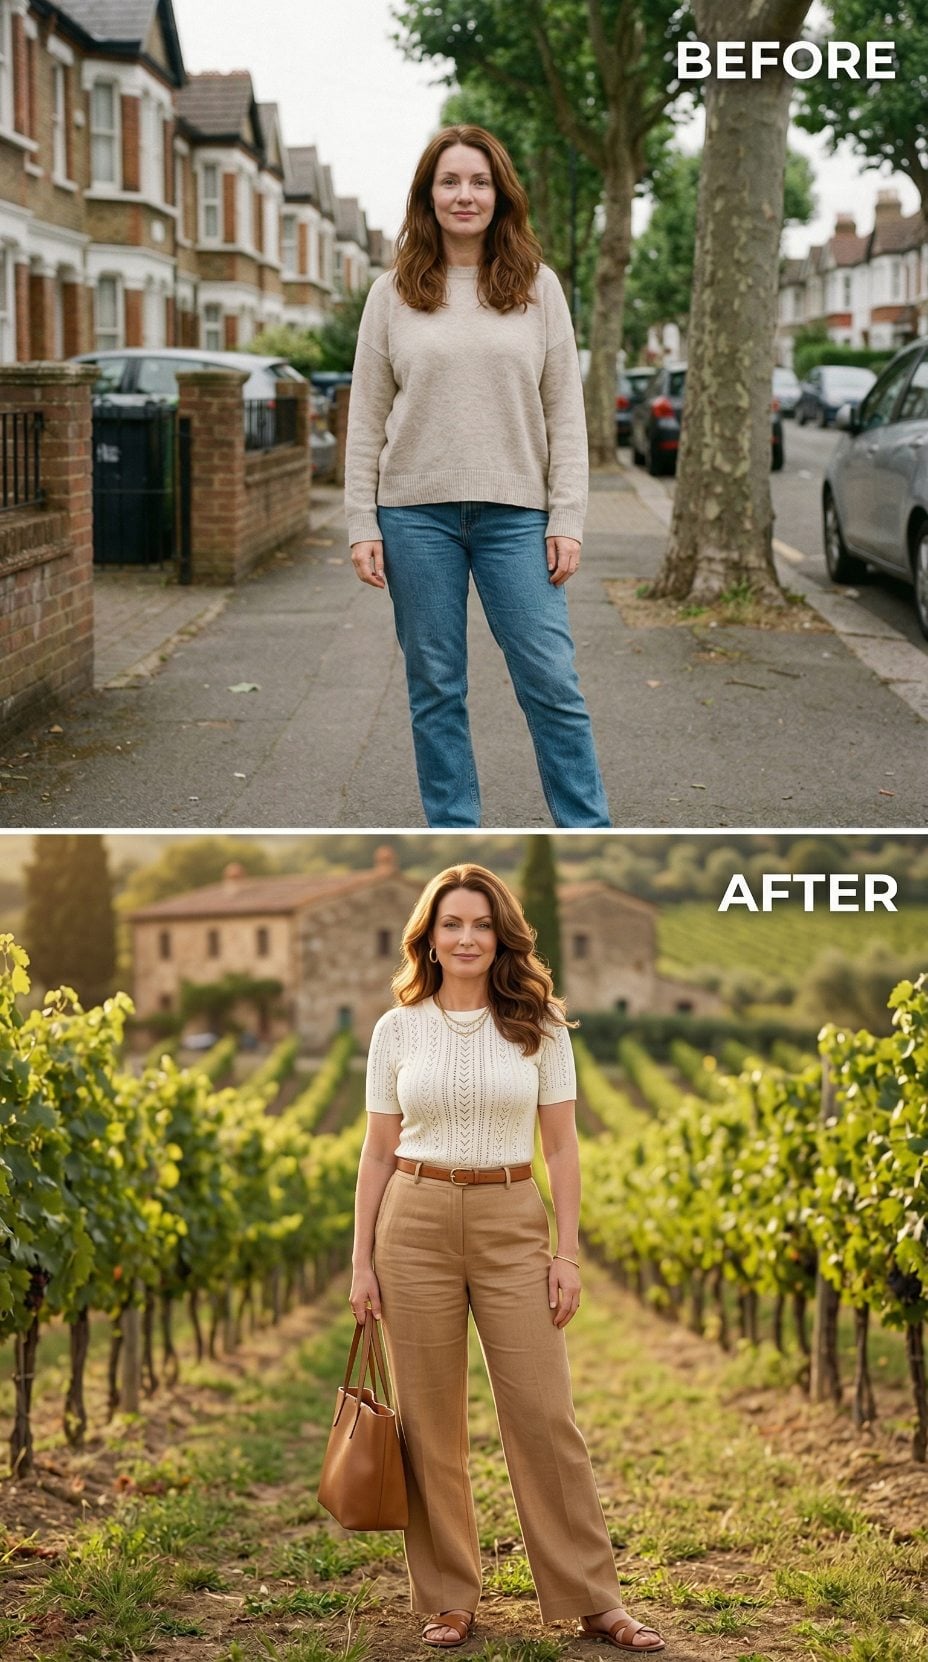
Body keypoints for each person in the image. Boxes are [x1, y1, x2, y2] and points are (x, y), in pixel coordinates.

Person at [348, 863, 665, 1653]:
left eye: (480, 924)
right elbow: (376, 1151)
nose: (465, 938)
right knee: (429, 1423)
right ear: (429, 936)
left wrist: (567, 1252)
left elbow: (562, 1143)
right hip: (412, 1219)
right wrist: (362, 1263)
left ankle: (594, 1598)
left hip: (511, 1216)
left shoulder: (540, 1024)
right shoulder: (397, 1029)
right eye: (451, 924)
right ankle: (449, 1597)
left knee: (543, 1414)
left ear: (501, 937)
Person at [344, 125, 611, 830]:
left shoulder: (538, 289)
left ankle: (587, 830)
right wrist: (360, 524)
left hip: (517, 516)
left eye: (479, 181)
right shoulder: (391, 293)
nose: (465, 195)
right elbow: (366, 419)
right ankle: (453, 833)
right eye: (451, 182)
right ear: (428, 196)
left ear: (501, 194)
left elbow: (566, 413)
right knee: (435, 687)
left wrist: (568, 517)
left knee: (551, 682)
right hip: (414, 515)